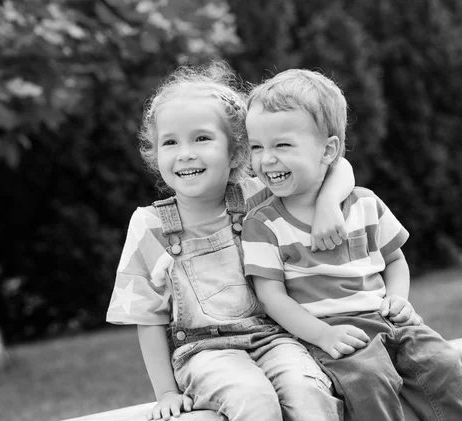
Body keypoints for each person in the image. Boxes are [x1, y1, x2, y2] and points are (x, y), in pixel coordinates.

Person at [106, 62, 354, 421]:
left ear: (236, 152)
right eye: (170, 142)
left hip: (274, 337)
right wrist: (165, 392)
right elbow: (148, 317)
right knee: (254, 400)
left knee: (309, 389)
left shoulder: (258, 195)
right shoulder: (151, 225)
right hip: (203, 352)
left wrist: (329, 203)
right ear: (154, 152)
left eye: (202, 138)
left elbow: (335, 166)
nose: (185, 152)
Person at [242, 68, 462, 421]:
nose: (266, 159)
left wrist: (398, 298)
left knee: (444, 364)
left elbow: (395, 261)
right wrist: (324, 335)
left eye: (282, 145)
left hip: (391, 320)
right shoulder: (263, 222)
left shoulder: (364, 204)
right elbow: (271, 297)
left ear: (328, 150)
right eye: (256, 146)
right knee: (368, 378)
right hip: (333, 330)